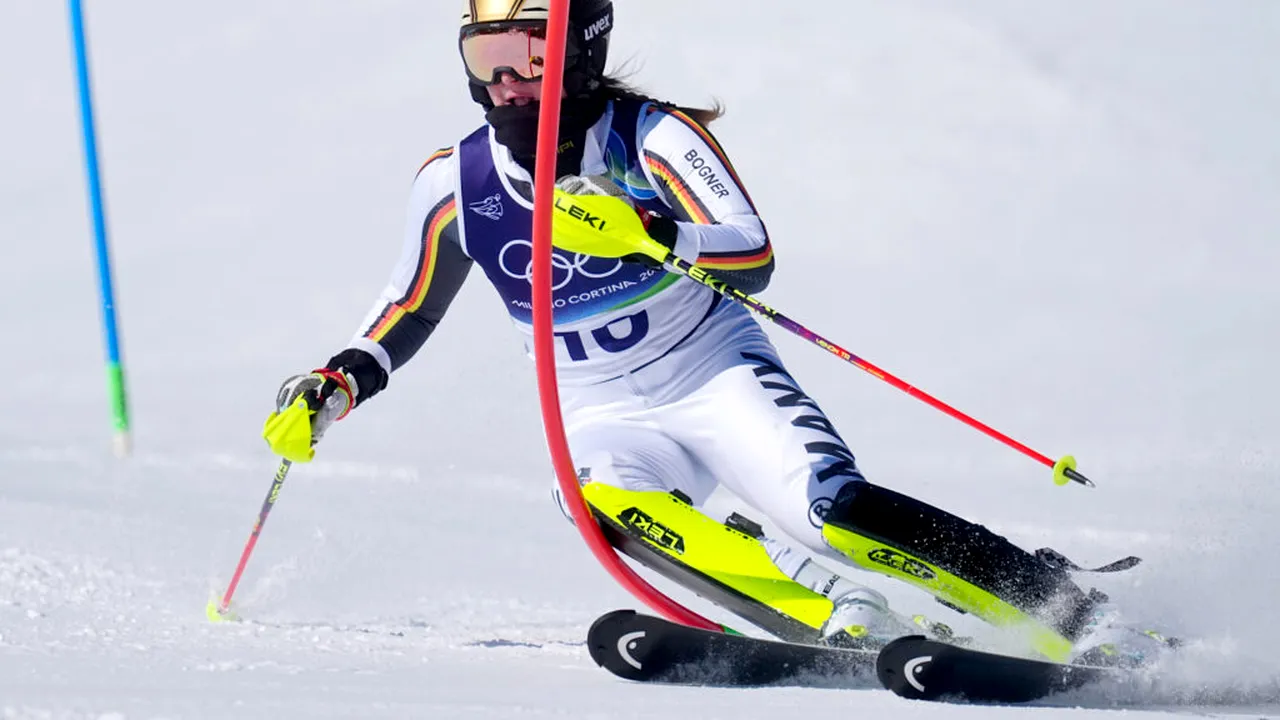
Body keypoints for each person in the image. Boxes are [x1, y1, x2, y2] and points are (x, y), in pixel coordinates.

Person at [264, 0, 1173, 665]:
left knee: (830, 512)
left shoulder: (652, 137)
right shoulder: (451, 179)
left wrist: (650, 231)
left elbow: (752, 251)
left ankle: (1074, 612)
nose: (502, 76)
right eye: (485, 51)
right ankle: (834, 613)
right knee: (597, 504)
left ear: (580, 49)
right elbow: (409, 305)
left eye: (525, 52)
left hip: (709, 371)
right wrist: (334, 384)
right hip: (596, 407)